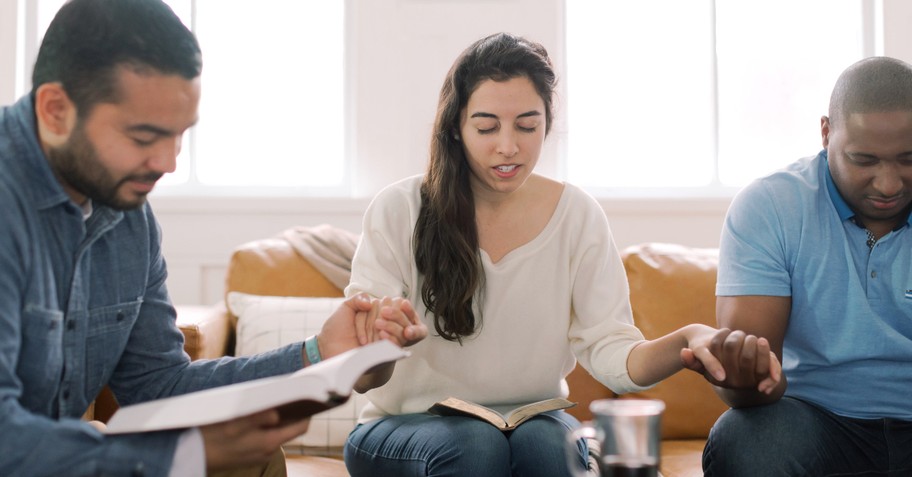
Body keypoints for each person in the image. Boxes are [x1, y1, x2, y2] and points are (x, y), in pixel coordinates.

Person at [0, 1, 427, 476]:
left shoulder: (127, 217)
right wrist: (176, 455)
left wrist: (317, 355)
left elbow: (159, 384)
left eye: (179, 135)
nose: (168, 163)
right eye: (144, 137)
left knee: (252, 459)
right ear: (56, 110)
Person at [341, 32, 781, 477]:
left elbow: (612, 356)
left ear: (547, 124)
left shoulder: (577, 215)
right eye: (487, 127)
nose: (508, 147)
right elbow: (360, 374)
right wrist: (378, 346)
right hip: (402, 429)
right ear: (456, 126)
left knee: (552, 444)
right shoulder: (399, 209)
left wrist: (688, 338)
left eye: (527, 126)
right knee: (475, 444)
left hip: (530, 420)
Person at [702, 56, 912, 476]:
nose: (889, 184)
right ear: (826, 132)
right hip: (816, 419)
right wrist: (748, 378)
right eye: (864, 160)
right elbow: (752, 383)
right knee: (745, 439)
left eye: (909, 158)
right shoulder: (770, 206)